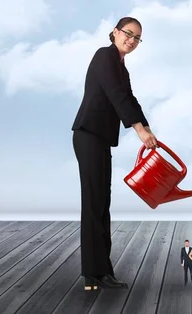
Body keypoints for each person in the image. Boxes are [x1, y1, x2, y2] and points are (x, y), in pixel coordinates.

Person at [72, 16, 158, 291]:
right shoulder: (104, 56)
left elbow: (129, 98)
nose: (131, 41)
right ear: (114, 32)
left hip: (100, 139)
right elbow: (115, 95)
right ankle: (92, 273)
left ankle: (101, 272)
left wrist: (147, 129)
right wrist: (138, 131)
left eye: (137, 38)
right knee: (93, 203)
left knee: (101, 204)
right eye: (128, 34)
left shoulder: (122, 68)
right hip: (88, 135)